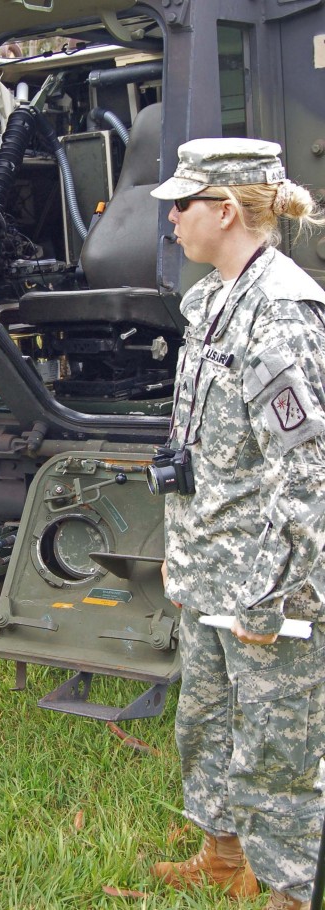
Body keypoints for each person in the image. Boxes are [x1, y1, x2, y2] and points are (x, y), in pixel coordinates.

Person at [148, 138, 325, 910]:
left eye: (182, 205)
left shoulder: (280, 311)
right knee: (207, 720)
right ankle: (223, 856)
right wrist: (179, 551)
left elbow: (308, 473)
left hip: (264, 580)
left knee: (279, 745)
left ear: (226, 210)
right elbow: (200, 445)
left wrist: (274, 592)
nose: (172, 219)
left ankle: (286, 889)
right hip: (209, 560)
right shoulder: (214, 298)